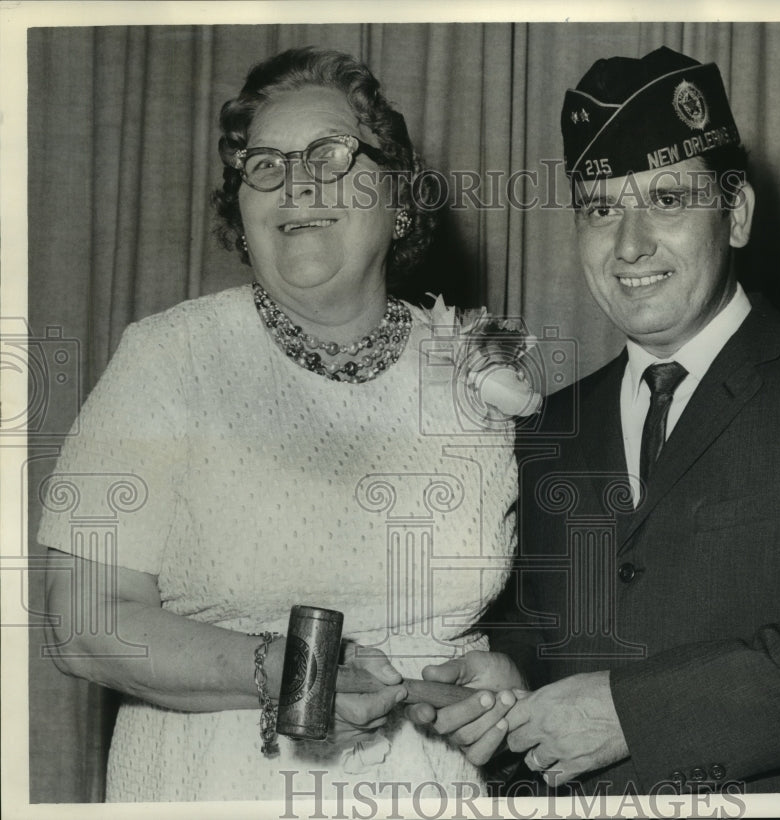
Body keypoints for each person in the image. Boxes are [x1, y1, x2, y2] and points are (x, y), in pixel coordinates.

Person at [407, 46, 780, 793]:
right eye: (602, 208)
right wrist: (510, 670)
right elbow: (550, 632)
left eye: (667, 200)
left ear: (735, 215)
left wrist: (635, 714)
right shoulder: (549, 426)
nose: (629, 244)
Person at [39, 46, 520, 802]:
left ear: (397, 198)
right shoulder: (170, 357)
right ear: (243, 209)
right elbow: (81, 620)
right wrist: (295, 671)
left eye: (329, 154)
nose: (296, 183)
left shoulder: (471, 367)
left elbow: (501, 617)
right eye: (264, 165)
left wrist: (498, 683)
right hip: (221, 787)